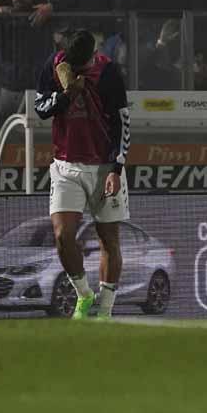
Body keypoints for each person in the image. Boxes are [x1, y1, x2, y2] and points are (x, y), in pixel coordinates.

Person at [34, 29, 130, 320]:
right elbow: (40, 108)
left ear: (93, 57)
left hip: (103, 166)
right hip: (66, 165)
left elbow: (122, 123)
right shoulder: (54, 65)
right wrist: (65, 95)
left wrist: (117, 168)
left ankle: (106, 308)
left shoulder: (109, 72)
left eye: (82, 67)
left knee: (108, 239)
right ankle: (84, 295)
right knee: (63, 236)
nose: (76, 71)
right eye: (72, 66)